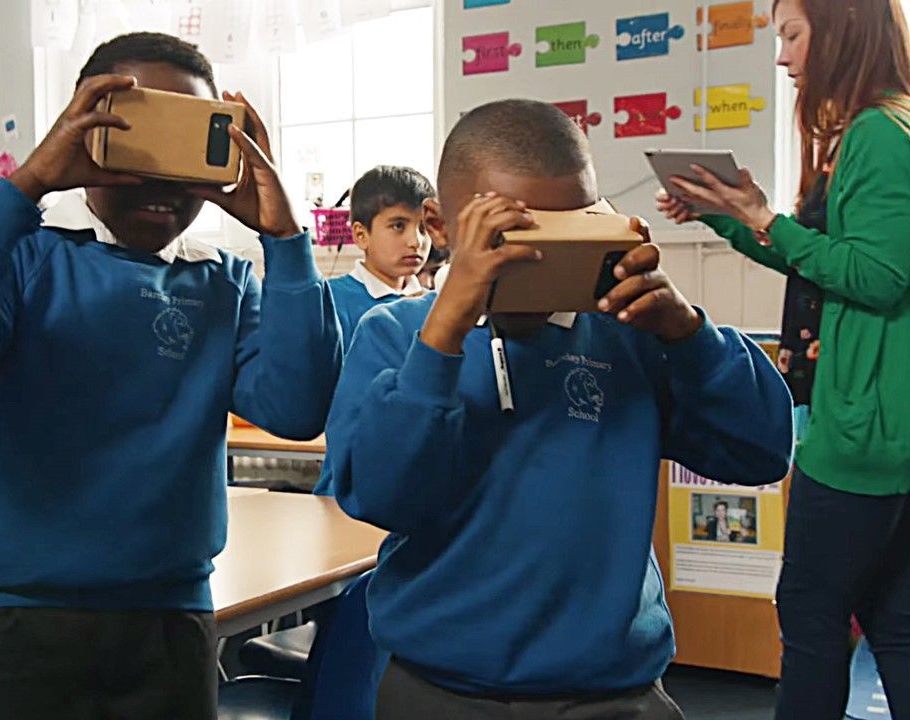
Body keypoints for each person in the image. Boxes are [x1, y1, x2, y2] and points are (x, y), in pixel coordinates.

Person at [0, 32, 342, 719]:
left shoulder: (221, 279)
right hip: (22, 621)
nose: (160, 183)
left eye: (185, 149)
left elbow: (297, 407)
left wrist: (286, 241)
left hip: (170, 624)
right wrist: (28, 183)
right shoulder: (29, 255)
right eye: (137, 142)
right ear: (85, 133)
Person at [328, 99, 794, 720]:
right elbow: (379, 496)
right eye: (513, 234)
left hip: (614, 695)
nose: (544, 256)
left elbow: (760, 451)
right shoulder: (396, 336)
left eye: (573, 227)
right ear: (441, 226)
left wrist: (687, 333)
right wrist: (445, 332)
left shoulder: (628, 334)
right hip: (442, 690)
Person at [656, 0, 910, 715]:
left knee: (809, 612)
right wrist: (732, 218)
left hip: (864, 432)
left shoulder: (878, 133)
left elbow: (878, 276)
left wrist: (763, 217)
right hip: (882, 427)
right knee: (892, 619)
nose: (783, 56)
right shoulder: (880, 128)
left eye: (793, 35)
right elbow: (823, 263)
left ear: (842, 28)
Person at [328, 166, 434, 349]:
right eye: (398, 226)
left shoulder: (434, 304)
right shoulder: (331, 301)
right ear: (361, 235)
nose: (416, 242)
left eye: (424, 228)